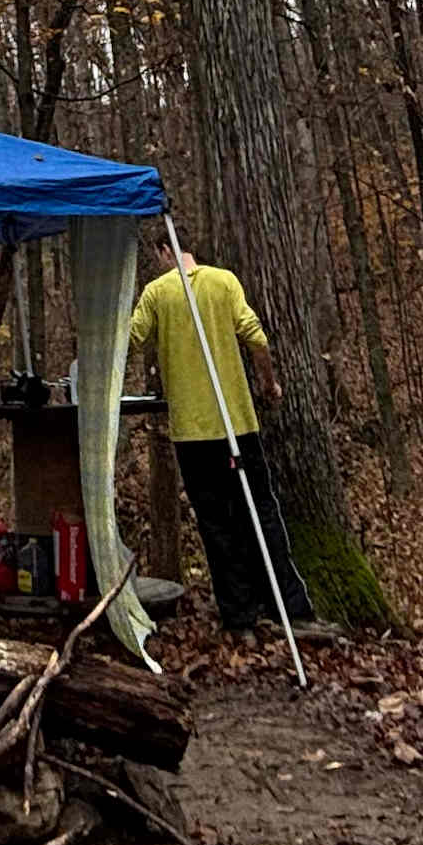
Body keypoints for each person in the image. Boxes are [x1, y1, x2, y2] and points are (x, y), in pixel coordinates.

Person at [124, 229, 317, 636]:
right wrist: (268, 385)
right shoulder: (224, 282)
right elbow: (256, 339)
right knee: (260, 513)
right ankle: (288, 606)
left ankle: (239, 615)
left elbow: (130, 336)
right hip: (238, 424)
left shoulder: (158, 293)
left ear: (164, 251)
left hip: (193, 434)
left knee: (216, 523)